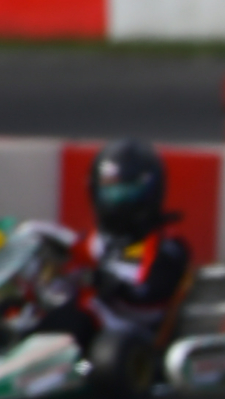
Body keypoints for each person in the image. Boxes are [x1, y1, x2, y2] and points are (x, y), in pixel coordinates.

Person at [34, 140, 194, 348]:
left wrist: (101, 280)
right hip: (88, 329)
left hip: (130, 340)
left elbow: (147, 301)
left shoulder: (168, 247)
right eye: (110, 191)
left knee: (78, 313)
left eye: (127, 191)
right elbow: (68, 281)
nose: (118, 200)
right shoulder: (90, 240)